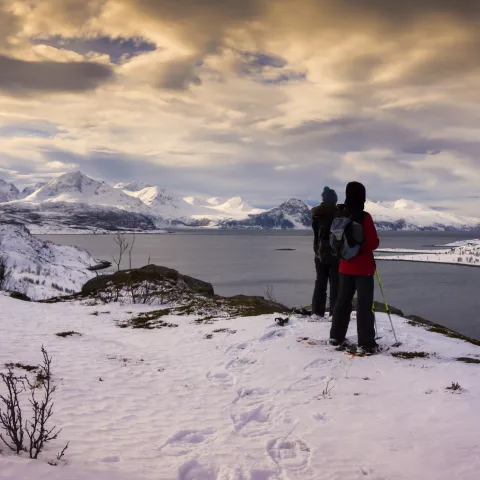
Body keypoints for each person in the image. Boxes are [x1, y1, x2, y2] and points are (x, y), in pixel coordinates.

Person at [329, 181, 380, 354]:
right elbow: (372, 243)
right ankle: (366, 342)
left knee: (342, 303)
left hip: (344, 266)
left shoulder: (340, 214)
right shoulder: (364, 216)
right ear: (362, 197)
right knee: (364, 306)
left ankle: (336, 336)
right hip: (363, 268)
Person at [311, 186, 339, 319]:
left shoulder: (316, 214)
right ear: (333, 199)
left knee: (320, 282)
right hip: (334, 253)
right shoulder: (337, 213)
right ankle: (335, 312)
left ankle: (317, 312)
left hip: (319, 252)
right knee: (335, 283)